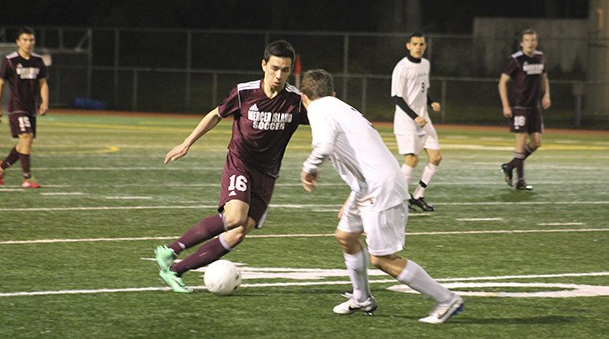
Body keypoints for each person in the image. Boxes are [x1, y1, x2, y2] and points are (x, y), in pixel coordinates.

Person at [300, 69, 463, 324]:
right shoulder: (342, 107)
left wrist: (309, 169)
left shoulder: (319, 109)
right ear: (332, 92)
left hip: (379, 187)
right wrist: (353, 193)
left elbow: (324, 146)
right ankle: (362, 298)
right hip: (368, 186)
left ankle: (446, 298)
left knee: (382, 259)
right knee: (346, 236)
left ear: (304, 97)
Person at [154, 40, 308, 293]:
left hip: (267, 175)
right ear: (263, 65)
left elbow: (324, 118)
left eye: (285, 70)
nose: (279, 75)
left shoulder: (295, 101)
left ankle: (174, 271)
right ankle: (171, 250)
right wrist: (187, 143)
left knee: (237, 233)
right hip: (241, 162)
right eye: (274, 68)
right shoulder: (244, 92)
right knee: (235, 216)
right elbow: (216, 115)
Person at [391, 32, 441, 212]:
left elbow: (422, 90)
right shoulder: (402, 68)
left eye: (421, 44)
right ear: (408, 46)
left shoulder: (425, 64)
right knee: (411, 159)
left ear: (425, 46)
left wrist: (431, 102)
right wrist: (414, 116)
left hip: (423, 119)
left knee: (436, 157)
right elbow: (397, 97)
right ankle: (399, 200)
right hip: (407, 120)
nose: (418, 47)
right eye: (415, 44)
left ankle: (418, 196)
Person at [0, 26, 49, 188]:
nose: (28, 43)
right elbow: (0, 83)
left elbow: (43, 83)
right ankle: (27, 178)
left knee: (24, 143)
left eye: (31, 40)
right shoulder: (10, 60)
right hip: (16, 106)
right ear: (18, 42)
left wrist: (44, 101)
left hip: (31, 107)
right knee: (27, 137)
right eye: (25, 40)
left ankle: (2, 166)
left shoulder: (38, 61)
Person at [498, 29, 551, 191]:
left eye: (533, 40)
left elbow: (544, 77)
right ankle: (520, 181)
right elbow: (502, 82)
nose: (530, 43)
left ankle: (510, 166)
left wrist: (546, 95)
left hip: (534, 106)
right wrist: (506, 105)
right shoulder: (515, 60)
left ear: (536, 42)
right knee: (520, 145)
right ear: (522, 43)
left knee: (536, 142)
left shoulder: (540, 57)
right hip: (519, 107)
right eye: (527, 40)